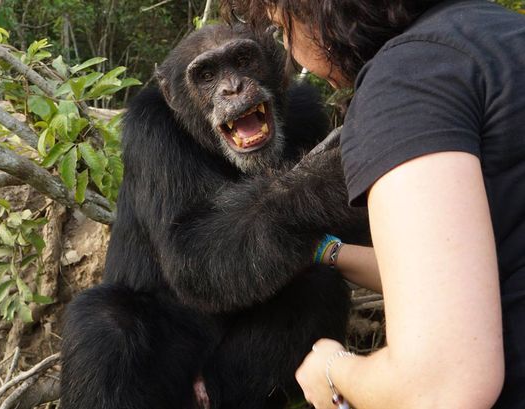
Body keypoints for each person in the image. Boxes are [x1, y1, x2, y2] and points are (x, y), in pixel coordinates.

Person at [222, 0, 525, 408]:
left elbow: (439, 387)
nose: (293, 54)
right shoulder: (499, 34)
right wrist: (324, 251)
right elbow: (459, 265)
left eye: (282, 27)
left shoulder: (406, 82)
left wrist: (333, 370)